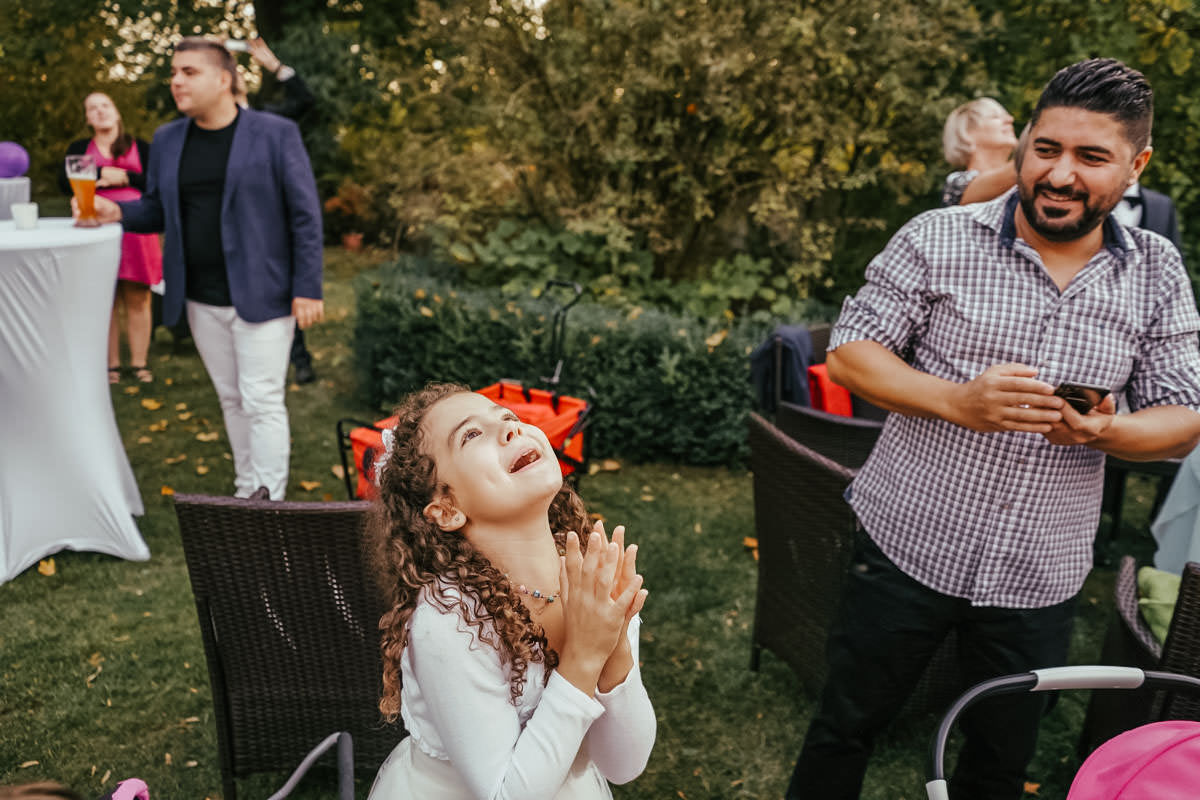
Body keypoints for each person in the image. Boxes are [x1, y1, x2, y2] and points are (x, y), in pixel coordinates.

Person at [786, 58, 1200, 800]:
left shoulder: (1158, 272)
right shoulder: (939, 236)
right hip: (906, 544)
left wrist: (1105, 432)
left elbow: (1184, 416)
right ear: (1024, 144)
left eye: (1092, 157)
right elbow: (851, 354)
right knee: (845, 728)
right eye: (1046, 149)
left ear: (1135, 166)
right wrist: (958, 402)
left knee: (999, 766)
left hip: (1039, 574)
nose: (1061, 175)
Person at [366, 383, 656, 799]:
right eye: (471, 435)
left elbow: (623, 765)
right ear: (446, 509)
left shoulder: (589, 579)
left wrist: (615, 652)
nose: (510, 430)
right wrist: (583, 655)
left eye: (509, 418)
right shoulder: (452, 622)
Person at [84, 37, 324, 501]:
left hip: (265, 294)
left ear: (224, 79)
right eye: (174, 72)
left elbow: (305, 215)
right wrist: (118, 213)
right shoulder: (170, 139)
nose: (176, 80)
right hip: (199, 296)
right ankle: (245, 490)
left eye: (189, 72)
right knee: (232, 400)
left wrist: (307, 286)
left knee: (261, 400)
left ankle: (267, 503)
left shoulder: (275, 133)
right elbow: (158, 209)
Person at [230, 35, 319, 385]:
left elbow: (305, 100)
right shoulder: (200, 130)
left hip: (271, 226)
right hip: (233, 226)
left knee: (282, 288)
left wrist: (273, 65)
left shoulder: (267, 119)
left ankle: (300, 359)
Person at [58, 93, 163, 384]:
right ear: (87, 118)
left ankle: (140, 364)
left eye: (105, 106)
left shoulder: (140, 147)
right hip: (96, 226)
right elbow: (63, 181)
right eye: (92, 108)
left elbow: (158, 182)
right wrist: (104, 172)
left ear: (117, 112)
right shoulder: (80, 148)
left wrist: (126, 178)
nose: (100, 111)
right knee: (105, 298)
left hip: (137, 227)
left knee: (138, 297)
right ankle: (110, 366)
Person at [941, 97, 1019, 206]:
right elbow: (1018, 171)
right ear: (967, 134)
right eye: (995, 117)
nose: (1010, 119)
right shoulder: (957, 184)